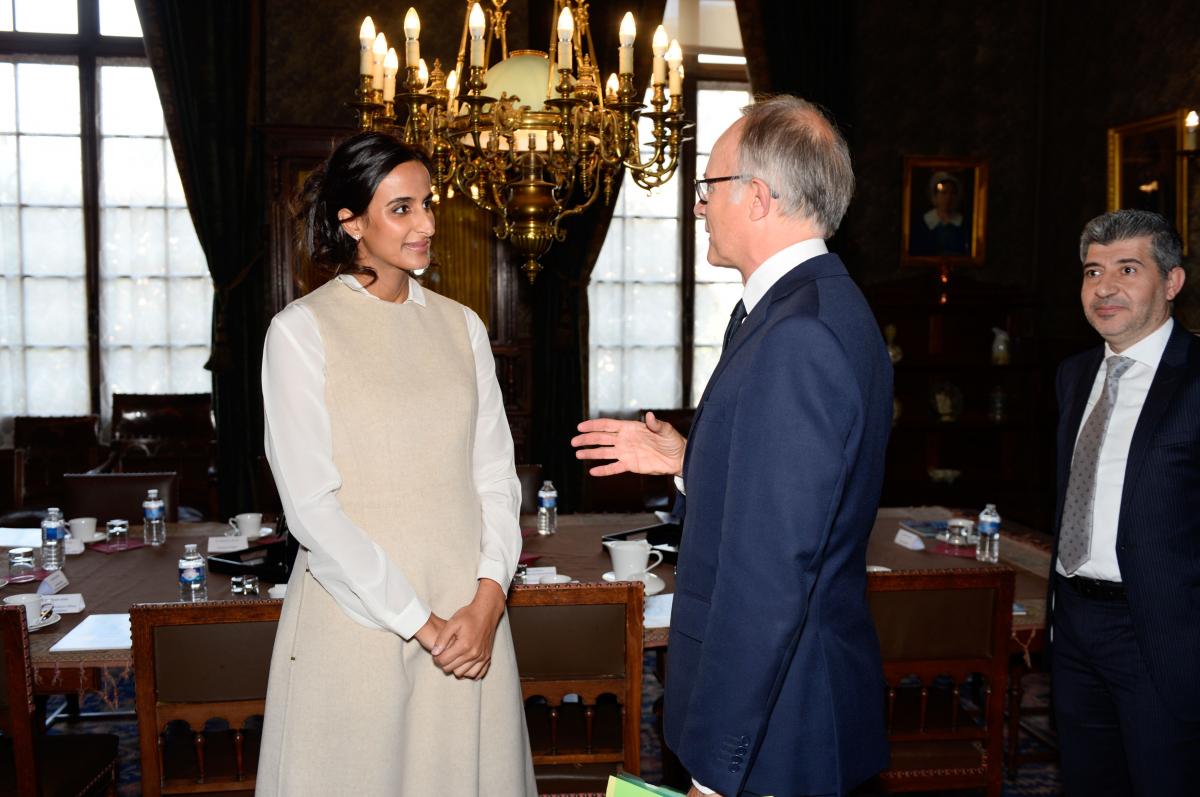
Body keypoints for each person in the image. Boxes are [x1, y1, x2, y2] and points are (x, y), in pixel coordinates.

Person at [573, 95, 892, 797]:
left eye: (706, 188)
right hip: (794, 708)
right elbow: (795, 496)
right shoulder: (818, 304)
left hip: (782, 729)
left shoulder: (797, 335)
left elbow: (772, 576)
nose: (698, 207)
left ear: (755, 196)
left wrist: (718, 770)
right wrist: (691, 461)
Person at [256, 132, 535, 796]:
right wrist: (420, 621)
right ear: (351, 221)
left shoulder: (462, 325)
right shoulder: (300, 331)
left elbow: (496, 474)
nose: (427, 224)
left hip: (469, 618)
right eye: (402, 208)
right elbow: (313, 510)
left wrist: (488, 598)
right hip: (357, 619)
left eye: (429, 205)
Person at [1049, 209, 1200, 796]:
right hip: (1076, 626)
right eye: (1092, 271)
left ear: (1172, 282)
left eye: (1127, 269)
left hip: (1163, 633)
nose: (1104, 287)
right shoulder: (1074, 374)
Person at [908, 170, 969, 256]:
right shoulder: (923, 223)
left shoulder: (964, 223)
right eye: (944, 193)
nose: (948, 198)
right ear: (935, 196)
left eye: (952, 193)